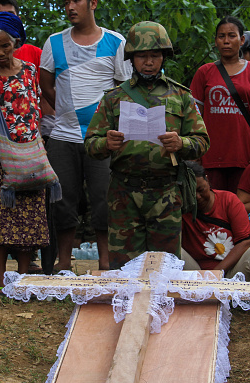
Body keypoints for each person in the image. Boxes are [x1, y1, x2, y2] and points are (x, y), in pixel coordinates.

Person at [85, 21, 209, 269]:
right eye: (142, 56)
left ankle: (160, 310)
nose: (149, 62)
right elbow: (90, 144)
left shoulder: (181, 96)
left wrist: (181, 143)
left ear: (164, 57)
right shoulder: (114, 98)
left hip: (165, 193)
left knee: (164, 268)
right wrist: (106, 143)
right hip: (124, 193)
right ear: (132, 58)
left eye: (155, 55)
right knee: (125, 268)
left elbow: (202, 141)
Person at [39, 0, 131, 271]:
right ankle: (64, 262)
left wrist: (107, 125)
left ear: (93, 3)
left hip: (102, 139)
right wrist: (66, 112)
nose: (69, 6)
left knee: (104, 198)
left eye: (76, 0)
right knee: (63, 198)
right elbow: (45, 83)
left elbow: (123, 89)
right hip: (63, 136)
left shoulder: (115, 41)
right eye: (65, 2)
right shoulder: (54, 42)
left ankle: (106, 262)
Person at [0, 12, 49, 290]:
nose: (1, 52)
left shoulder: (30, 71)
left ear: (16, 43)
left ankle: (23, 277)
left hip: (30, 157)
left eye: (6, 45)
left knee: (28, 221)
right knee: (2, 220)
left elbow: (34, 114)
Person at [181, 161, 250, 347]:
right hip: (197, 276)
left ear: (208, 181)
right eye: (190, 192)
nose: (197, 197)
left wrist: (217, 273)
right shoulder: (180, 208)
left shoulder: (228, 200)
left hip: (231, 274)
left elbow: (245, 241)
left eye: (200, 189)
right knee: (173, 250)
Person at [190, 16, 250, 193]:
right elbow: (195, 114)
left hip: (245, 152)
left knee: (242, 206)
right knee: (213, 204)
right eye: (221, 36)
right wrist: (196, 150)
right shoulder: (204, 72)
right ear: (215, 41)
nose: (226, 41)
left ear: (242, 40)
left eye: (231, 36)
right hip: (211, 153)